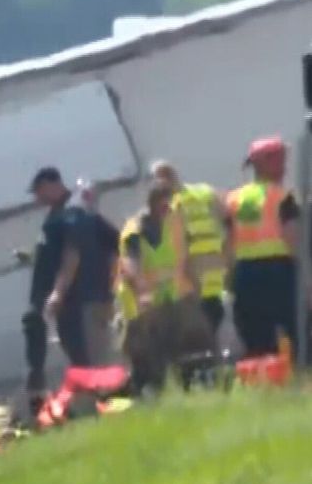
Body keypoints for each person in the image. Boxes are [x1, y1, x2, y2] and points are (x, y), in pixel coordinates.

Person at [117, 182, 214, 392]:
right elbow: (130, 264)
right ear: (151, 203)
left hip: (178, 296)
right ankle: (149, 393)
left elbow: (185, 255)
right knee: (149, 357)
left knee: (195, 345)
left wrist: (195, 282)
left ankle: (196, 388)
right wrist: (142, 292)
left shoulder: (175, 223)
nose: (168, 208)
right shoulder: (135, 231)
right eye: (163, 203)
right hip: (146, 305)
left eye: (169, 202)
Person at [28, 167, 120, 373]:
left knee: (90, 359)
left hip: (80, 302)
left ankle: (105, 390)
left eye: (39, 190)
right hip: (78, 303)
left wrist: (57, 293)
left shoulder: (71, 214)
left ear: (51, 185)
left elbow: (73, 253)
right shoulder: (64, 215)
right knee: (82, 357)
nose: (37, 197)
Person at [226, 137, 303, 358]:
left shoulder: (234, 199)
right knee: (294, 330)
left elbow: (228, 243)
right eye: (281, 160)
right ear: (270, 163)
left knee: (256, 337)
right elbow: (292, 238)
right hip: (279, 272)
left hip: (245, 274)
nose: (285, 166)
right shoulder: (283, 197)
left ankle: (261, 374)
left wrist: (230, 277)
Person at [152, 160, 229, 339]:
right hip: (214, 276)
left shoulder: (171, 205)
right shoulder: (205, 192)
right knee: (213, 321)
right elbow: (228, 221)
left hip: (192, 280)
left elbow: (179, 248)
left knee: (197, 334)